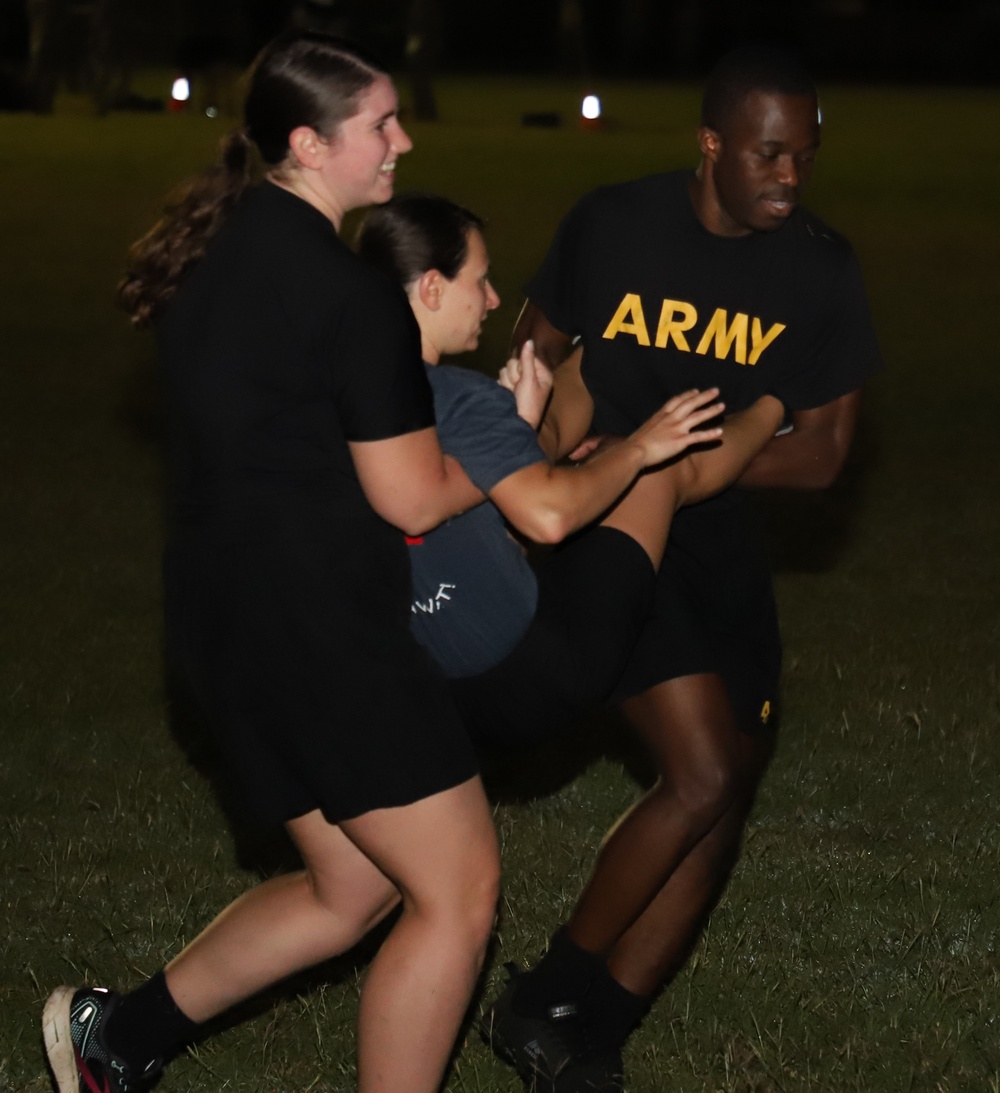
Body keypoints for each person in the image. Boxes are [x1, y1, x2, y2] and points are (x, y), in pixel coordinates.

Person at [42, 31, 503, 1093]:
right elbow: (411, 495)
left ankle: (119, 1039)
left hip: (221, 627)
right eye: (381, 124)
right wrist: (511, 439)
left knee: (352, 887)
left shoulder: (209, 248)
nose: (403, 140)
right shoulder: (351, 301)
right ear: (310, 141)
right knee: (459, 890)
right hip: (322, 638)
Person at [480, 43, 883, 1093]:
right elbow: (533, 353)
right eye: (766, 155)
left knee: (722, 795)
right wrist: (562, 455)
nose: (789, 177)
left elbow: (826, 452)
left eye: (803, 155)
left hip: (718, 541)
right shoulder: (613, 223)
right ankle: (548, 989)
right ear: (710, 145)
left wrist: (709, 466)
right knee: (700, 769)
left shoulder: (820, 271)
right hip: (606, 524)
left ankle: (585, 1031)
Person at [356, 191, 784, 754]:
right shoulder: (463, 399)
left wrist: (520, 429)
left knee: (590, 397)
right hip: (538, 673)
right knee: (659, 469)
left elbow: (473, 539)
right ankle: (777, 401)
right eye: (480, 282)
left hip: (434, 696)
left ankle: (609, 346)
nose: (492, 299)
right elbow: (548, 519)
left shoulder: (351, 403)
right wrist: (638, 449)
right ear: (432, 288)